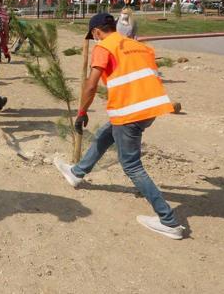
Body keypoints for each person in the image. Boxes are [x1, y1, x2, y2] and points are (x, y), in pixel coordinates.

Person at [54, 13, 183, 240]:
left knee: (131, 165)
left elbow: (91, 85)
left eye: (93, 36)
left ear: (96, 32)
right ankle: (77, 173)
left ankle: (168, 221)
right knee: (107, 133)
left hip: (130, 111)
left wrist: (81, 113)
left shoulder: (104, 47)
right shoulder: (139, 46)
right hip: (151, 108)